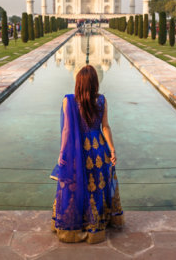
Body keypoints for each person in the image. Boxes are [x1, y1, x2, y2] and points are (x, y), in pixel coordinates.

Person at [52, 65, 123, 244]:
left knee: (76, 187)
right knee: (96, 188)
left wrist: (61, 152)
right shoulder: (101, 100)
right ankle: (96, 226)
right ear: (95, 83)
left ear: (78, 82)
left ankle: (74, 227)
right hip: (98, 149)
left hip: (78, 151)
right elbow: (105, 127)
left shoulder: (69, 101)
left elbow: (67, 130)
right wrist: (112, 149)